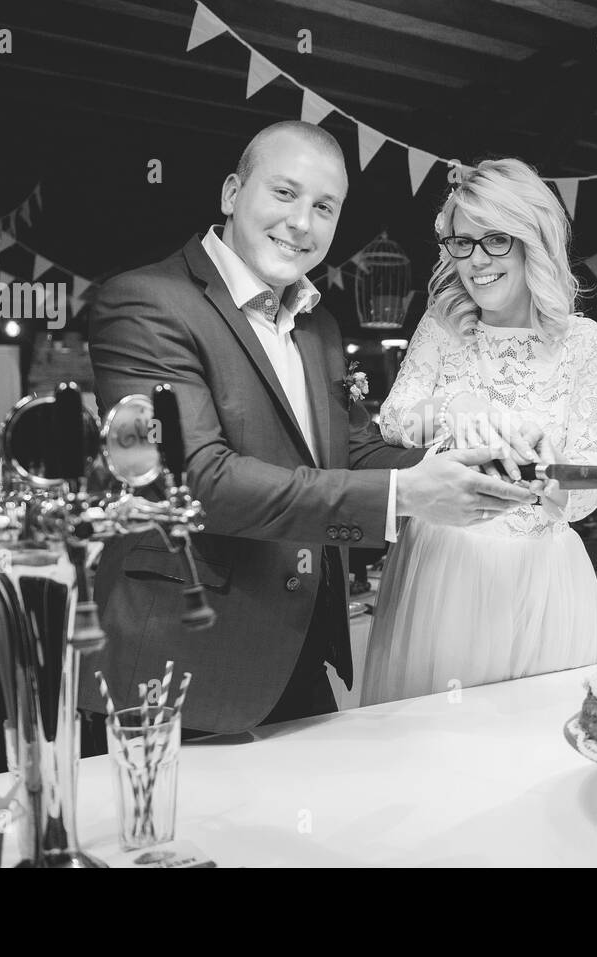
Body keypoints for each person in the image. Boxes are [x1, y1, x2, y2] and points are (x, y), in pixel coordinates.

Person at [80, 121, 535, 735]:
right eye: (284, 194)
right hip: (178, 667)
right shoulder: (145, 302)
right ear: (231, 193)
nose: (301, 223)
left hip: (298, 657)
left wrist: (459, 464)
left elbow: (348, 450)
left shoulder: (316, 324)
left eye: (324, 207)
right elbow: (194, 483)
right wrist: (405, 496)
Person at [362, 158, 597, 704]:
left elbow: (589, 488)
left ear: (534, 240)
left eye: (494, 241)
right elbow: (392, 421)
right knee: (438, 751)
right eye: (462, 243)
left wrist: (557, 480)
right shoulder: (442, 324)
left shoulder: (587, 343)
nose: (475, 262)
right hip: (443, 568)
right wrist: (458, 408)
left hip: (544, 577)